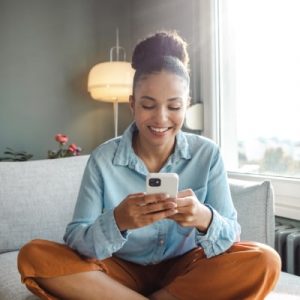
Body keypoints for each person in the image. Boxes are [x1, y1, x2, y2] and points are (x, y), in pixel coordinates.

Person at [18, 31, 281, 300]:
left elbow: (231, 237)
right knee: (34, 255)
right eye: (148, 105)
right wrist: (118, 220)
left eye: (174, 106)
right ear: (132, 104)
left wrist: (203, 217)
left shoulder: (208, 154)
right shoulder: (103, 159)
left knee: (265, 260)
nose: (161, 118)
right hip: (118, 271)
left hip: (185, 272)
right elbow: (76, 239)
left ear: (186, 105)